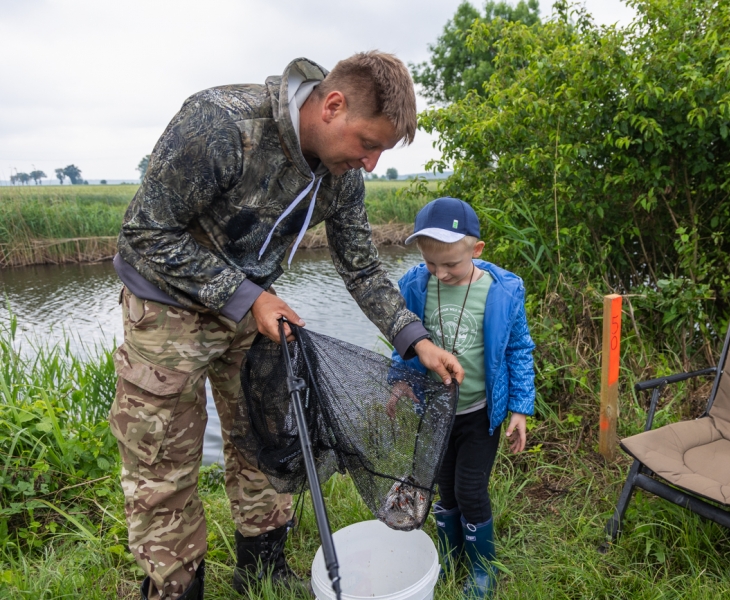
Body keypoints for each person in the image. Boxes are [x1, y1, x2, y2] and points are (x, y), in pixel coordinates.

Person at [109, 53, 464, 600]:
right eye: (368, 145)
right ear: (333, 106)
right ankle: (173, 586)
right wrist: (245, 295)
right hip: (166, 307)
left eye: (380, 153)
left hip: (254, 312)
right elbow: (146, 233)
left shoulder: (341, 177)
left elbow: (363, 267)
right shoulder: (221, 123)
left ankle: (262, 572)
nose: (371, 163)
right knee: (163, 461)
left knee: (264, 440)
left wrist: (414, 339)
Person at [389, 197, 535, 599]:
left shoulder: (502, 290)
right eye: (431, 263)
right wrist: (399, 381)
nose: (440, 272)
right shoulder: (415, 285)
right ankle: (451, 556)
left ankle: (482, 569)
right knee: (444, 487)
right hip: (434, 412)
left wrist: (521, 408)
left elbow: (518, 348)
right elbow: (403, 342)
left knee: (471, 489)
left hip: (478, 414)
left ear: (477, 250)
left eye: (450, 263)